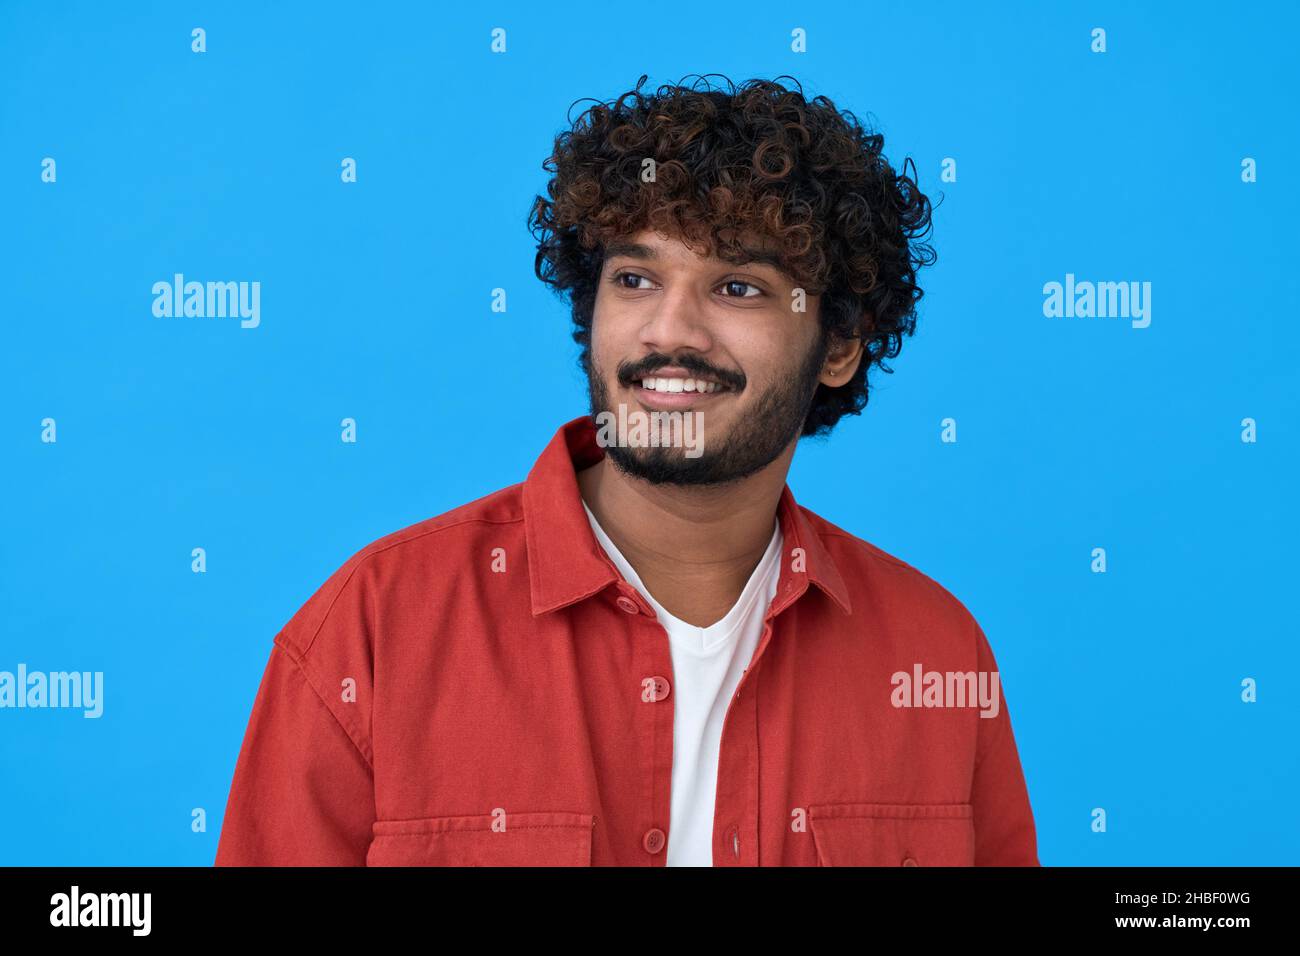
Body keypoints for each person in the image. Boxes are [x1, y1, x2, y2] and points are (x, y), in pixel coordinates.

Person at [214, 74, 1039, 867]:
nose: (668, 332)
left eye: (739, 287)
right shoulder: (373, 631)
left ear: (840, 346)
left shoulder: (937, 654)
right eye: (636, 278)